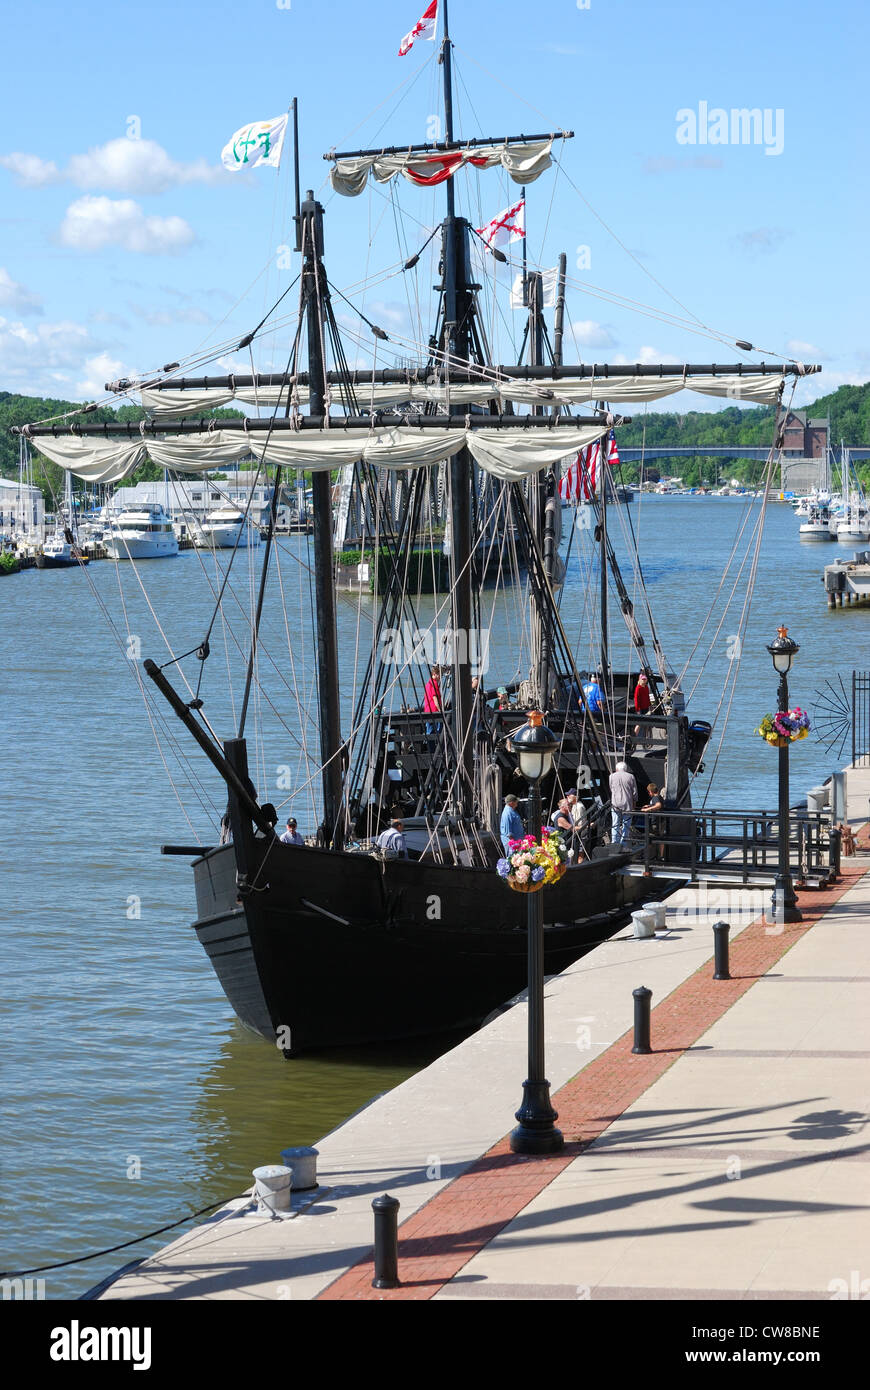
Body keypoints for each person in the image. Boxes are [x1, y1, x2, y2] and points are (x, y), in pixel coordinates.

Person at [608, 761, 637, 846]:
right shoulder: (631, 776)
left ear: (617, 769)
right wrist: (634, 804)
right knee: (626, 824)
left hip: (615, 804)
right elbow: (634, 792)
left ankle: (614, 842)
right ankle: (624, 843)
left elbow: (611, 789)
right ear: (625, 769)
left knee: (615, 824)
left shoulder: (611, 776)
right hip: (627, 804)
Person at [633, 671, 652, 745]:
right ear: (640, 680)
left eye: (645, 679)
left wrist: (650, 706)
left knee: (647, 723)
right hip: (640, 708)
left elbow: (648, 697)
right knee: (639, 724)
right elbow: (636, 700)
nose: (644, 680)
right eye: (643, 679)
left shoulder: (646, 687)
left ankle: (646, 738)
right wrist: (637, 710)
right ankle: (634, 737)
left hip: (646, 707)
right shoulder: (638, 688)